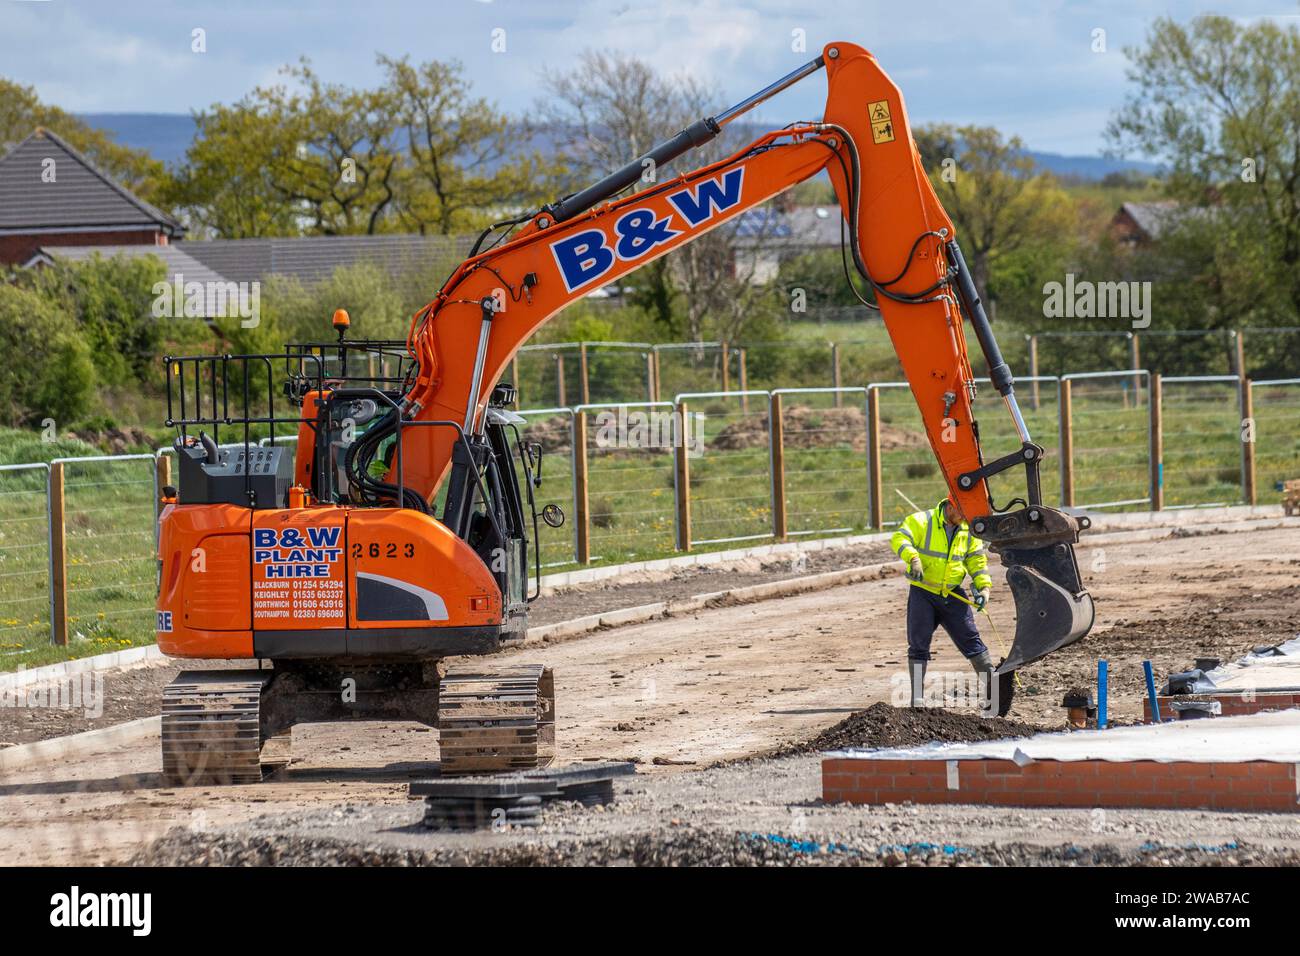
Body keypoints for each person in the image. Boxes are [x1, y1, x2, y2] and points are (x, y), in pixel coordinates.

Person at [890, 497, 996, 708]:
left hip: (952, 593)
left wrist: (983, 587)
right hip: (924, 592)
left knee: (971, 638)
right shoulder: (922, 521)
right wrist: (913, 559)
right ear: (951, 505)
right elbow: (899, 538)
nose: (965, 519)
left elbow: (976, 559)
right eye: (962, 513)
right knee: (918, 643)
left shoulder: (967, 528)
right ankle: (917, 698)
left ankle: (995, 691)